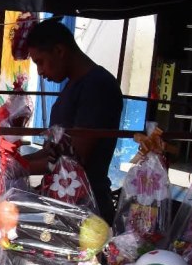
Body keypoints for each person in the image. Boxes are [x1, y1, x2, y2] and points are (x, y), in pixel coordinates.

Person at [24, 18, 123, 224]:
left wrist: (21, 167)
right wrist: (15, 161)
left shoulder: (98, 86)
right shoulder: (71, 87)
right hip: (63, 203)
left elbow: (74, 160)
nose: (40, 72)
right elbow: (52, 151)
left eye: (40, 62)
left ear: (59, 51)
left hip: (87, 209)